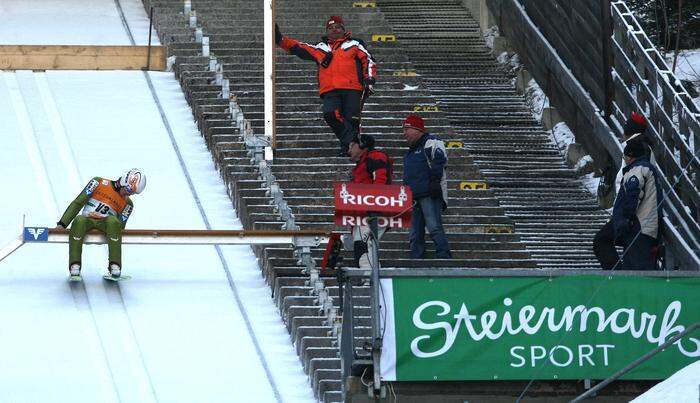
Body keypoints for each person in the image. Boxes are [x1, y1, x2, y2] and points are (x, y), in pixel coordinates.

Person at [276, 15, 377, 155]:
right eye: (330, 28)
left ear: (343, 29)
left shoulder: (355, 43)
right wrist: (279, 39)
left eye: (337, 27)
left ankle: (347, 149)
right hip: (330, 90)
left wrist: (369, 79)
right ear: (326, 31)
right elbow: (299, 47)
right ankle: (355, 144)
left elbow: (368, 60)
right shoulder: (320, 48)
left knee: (351, 120)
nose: (334, 30)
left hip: (353, 89)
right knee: (330, 114)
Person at [56, 169, 147, 278]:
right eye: (128, 189)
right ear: (123, 181)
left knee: (113, 221)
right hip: (87, 220)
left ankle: (115, 266)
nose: (129, 194)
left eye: (133, 193)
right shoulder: (98, 182)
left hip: (106, 225)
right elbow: (78, 202)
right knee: (79, 220)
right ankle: (75, 265)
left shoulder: (128, 204)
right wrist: (62, 224)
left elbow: (120, 226)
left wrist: (115, 231)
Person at [594, 112, 654, 269]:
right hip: (629, 211)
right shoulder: (638, 146)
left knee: (602, 240)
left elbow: (637, 182)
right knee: (608, 242)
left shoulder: (638, 147)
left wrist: (626, 216)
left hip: (634, 214)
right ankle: (618, 274)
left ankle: (617, 275)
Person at [401, 114, 452, 259]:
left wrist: (434, 182)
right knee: (415, 231)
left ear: (417, 129)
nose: (404, 133)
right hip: (414, 196)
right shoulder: (412, 149)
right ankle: (417, 257)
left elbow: (439, 159)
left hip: (429, 193)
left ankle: (443, 255)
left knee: (434, 226)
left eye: (407, 129)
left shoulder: (431, 141)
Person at [611, 139, 662, 270]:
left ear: (630, 156)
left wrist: (626, 219)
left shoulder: (638, 169)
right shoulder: (645, 169)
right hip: (645, 228)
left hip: (638, 229)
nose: (624, 159)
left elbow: (634, 192)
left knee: (636, 272)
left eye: (625, 156)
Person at [347, 134, 393, 268]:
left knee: (363, 245)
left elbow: (380, 182)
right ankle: (373, 280)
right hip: (365, 214)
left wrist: (374, 207)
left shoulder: (375, 157)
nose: (349, 150)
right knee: (365, 245)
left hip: (373, 213)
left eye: (352, 145)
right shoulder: (362, 163)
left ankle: (370, 280)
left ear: (361, 145)